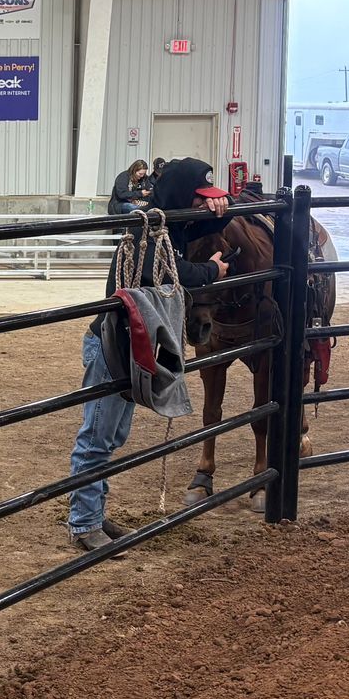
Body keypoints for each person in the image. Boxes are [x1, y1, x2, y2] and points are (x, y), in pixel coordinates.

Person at [66, 157, 233, 553]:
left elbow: (189, 231)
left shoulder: (163, 227)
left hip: (126, 344)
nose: (199, 208)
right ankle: (84, 523)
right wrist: (212, 270)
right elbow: (173, 273)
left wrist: (219, 213)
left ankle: (92, 513)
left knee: (109, 436)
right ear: (179, 196)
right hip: (113, 346)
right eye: (197, 199)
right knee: (97, 437)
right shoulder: (149, 234)